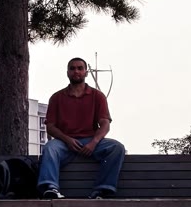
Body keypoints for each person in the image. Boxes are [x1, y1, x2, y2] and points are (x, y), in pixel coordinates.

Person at [37, 58, 125, 199]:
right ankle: (50, 188)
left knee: (116, 148)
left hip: (91, 141)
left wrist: (93, 142)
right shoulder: (57, 97)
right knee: (50, 148)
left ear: (86, 72)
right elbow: (51, 127)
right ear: (67, 72)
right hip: (64, 143)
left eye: (80, 68)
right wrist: (67, 140)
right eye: (72, 68)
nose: (76, 71)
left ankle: (102, 190)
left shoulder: (98, 96)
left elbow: (105, 123)